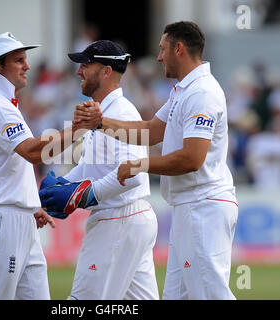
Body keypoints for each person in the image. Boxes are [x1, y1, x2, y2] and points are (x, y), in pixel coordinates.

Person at [75, 22, 238, 300]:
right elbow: (150, 131)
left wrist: (140, 165)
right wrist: (101, 123)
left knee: (210, 296)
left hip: (203, 206)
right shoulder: (183, 91)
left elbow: (192, 158)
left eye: (162, 50)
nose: (159, 57)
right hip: (189, 207)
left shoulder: (202, 93)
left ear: (179, 49)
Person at [0, 32, 86, 300]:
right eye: (19, 60)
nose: (27, 66)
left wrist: (31, 205)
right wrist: (77, 129)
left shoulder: (3, 105)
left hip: (18, 219)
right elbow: (32, 152)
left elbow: (13, 165)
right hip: (1, 220)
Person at [39, 40, 159, 300]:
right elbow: (89, 166)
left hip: (118, 219)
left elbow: (133, 175)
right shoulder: (102, 113)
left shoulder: (122, 112)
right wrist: (62, 184)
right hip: (127, 219)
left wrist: (81, 195)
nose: (78, 71)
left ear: (106, 71)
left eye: (85, 65)